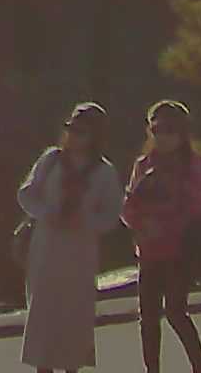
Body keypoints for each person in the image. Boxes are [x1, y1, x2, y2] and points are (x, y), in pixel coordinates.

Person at [19, 102, 125, 373]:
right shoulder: (51, 160)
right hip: (47, 246)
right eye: (71, 129)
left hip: (80, 250)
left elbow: (112, 214)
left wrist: (86, 222)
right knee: (44, 311)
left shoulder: (104, 172)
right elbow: (27, 194)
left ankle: (71, 366)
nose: (74, 136)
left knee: (74, 313)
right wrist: (46, 213)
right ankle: (43, 366)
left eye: (82, 132)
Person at [123, 101, 201, 373]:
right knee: (148, 318)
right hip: (148, 251)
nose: (162, 137)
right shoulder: (143, 165)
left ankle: (200, 366)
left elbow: (196, 206)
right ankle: (152, 369)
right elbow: (128, 207)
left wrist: (166, 220)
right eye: (157, 130)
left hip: (178, 251)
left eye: (169, 130)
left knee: (176, 311)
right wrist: (141, 224)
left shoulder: (192, 165)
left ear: (182, 133)